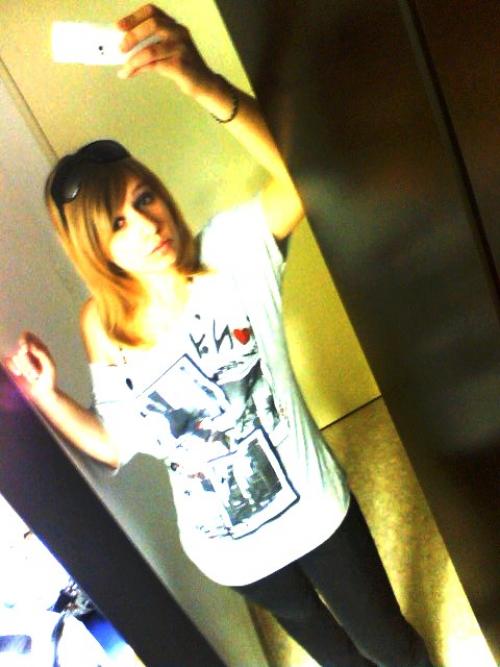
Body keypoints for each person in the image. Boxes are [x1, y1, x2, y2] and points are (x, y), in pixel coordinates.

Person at [5, 5, 435, 666]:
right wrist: (47, 395)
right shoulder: (102, 324)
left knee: (388, 646)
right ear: (96, 250)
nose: (147, 225)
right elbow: (116, 444)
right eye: (117, 223)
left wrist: (202, 82)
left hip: (317, 517)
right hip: (230, 555)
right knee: (336, 657)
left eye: (144, 198)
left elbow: (307, 172)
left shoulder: (232, 251)